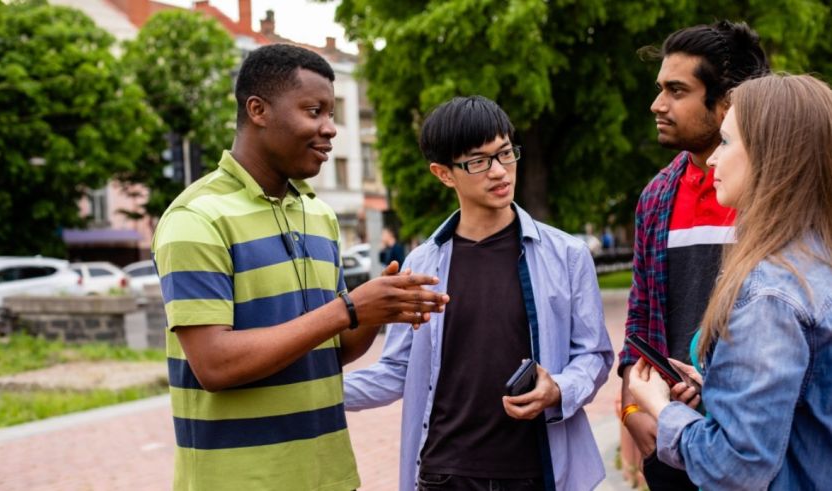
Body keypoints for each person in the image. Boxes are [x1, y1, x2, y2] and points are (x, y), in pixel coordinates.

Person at [151, 44, 449, 490]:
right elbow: (214, 365)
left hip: (330, 475)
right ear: (258, 110)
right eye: (314, 111)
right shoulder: (196, 218)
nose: (329, 129)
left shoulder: (319, 216)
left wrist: (375, 312)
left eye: (331, 113)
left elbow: (332, 350)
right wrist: (348, 309)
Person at [344, 96, 614, 491]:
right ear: (443, 173)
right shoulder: (421, 266)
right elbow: (396, 371)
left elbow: (594, 354)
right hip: (444, 473)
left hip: (538, 471)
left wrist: (557, 388)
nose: (500, 171)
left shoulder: (567, 255)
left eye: (505, 153)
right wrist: (313, 392)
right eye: (478, 161)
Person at [629, 73, 832, 490]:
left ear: (771, 155)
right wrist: (721, 388)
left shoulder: (769, 293)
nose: (714, 160)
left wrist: (660, 409)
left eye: (725, 142)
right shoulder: (814, 260)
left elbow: (736, 466)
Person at [618, 20, 769, 490]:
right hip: (672, 440)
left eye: (676, 90)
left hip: (757, 437)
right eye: (660, 88)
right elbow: (640, 319)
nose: (657, 105)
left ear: (728, 101)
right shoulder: (657, 196)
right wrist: (631, 408)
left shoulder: (780, 196)